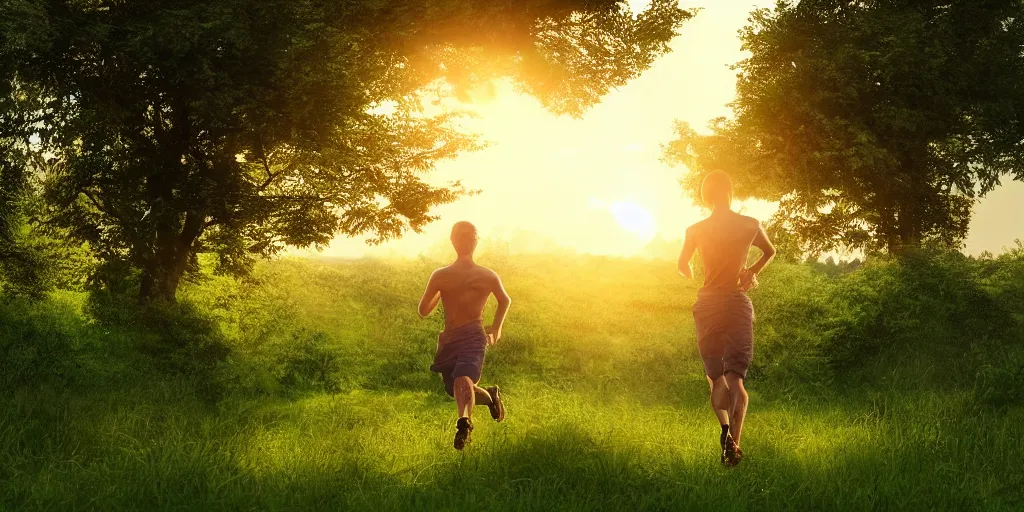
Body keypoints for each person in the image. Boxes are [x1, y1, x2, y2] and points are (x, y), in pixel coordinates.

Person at [678, 170, 776, 466]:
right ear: (730, 193)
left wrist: (697, 277)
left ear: (706, 195)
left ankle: (724, 431)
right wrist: (751, 273)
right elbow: (769, 251)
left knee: (715, 378)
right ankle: (733, 445)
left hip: (708, 302)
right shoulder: (749, 224)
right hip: (736, 302)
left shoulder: (695, 229)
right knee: (736, 380)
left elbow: (683, 265)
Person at [418, 221, 511, 450]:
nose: (466, 241)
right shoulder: (440, 275)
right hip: (449, 338)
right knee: (456, 390)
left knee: (463, 380)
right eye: (464, 237)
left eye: (468, 237)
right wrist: (441, 290)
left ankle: (464, 423)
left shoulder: (486, 275)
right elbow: (423, 311)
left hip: (473, 336)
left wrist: (496, 328)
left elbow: (504, 300)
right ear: (454, 241)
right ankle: (490, 396)